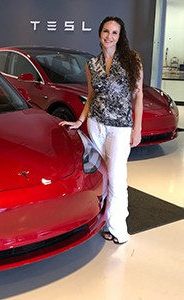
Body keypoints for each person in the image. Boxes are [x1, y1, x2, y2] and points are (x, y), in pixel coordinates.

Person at [59, 16, 143, 244]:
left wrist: (137, 128)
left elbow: (137, 95)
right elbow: (91, 96)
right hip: (96, 123)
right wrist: (79, 121)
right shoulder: (91, 64)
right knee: (102, 176)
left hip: (120, 127)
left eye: (114, 33)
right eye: (106, 31)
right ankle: (106, 223)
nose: (109, 36)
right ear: (99, 34)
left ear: (120, 36)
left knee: (117, 177)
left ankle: (118, 229)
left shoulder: (131, 60)